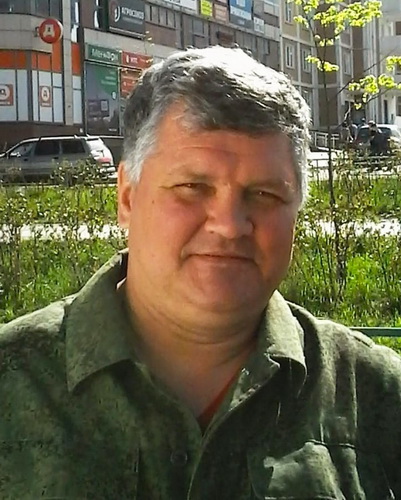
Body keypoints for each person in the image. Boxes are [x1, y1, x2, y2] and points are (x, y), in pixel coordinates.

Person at [1, 46, 400, 498]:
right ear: (127, 197)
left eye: (264, 195)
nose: (229, 225)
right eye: (193, 187)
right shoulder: (12, 383)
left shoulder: (376, 398)